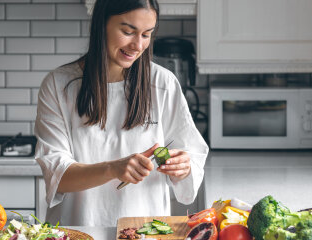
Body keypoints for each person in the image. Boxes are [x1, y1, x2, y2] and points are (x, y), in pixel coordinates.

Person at [34, 0, 209, 227]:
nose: (137, 45)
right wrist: (112, 168)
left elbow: (192, 158)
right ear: (101, 25)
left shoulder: (163, 83)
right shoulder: (58, 85)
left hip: (146, 230)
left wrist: (183, 167)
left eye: (147, 34)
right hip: (80, 229)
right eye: (128, 32)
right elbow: (58, 176)